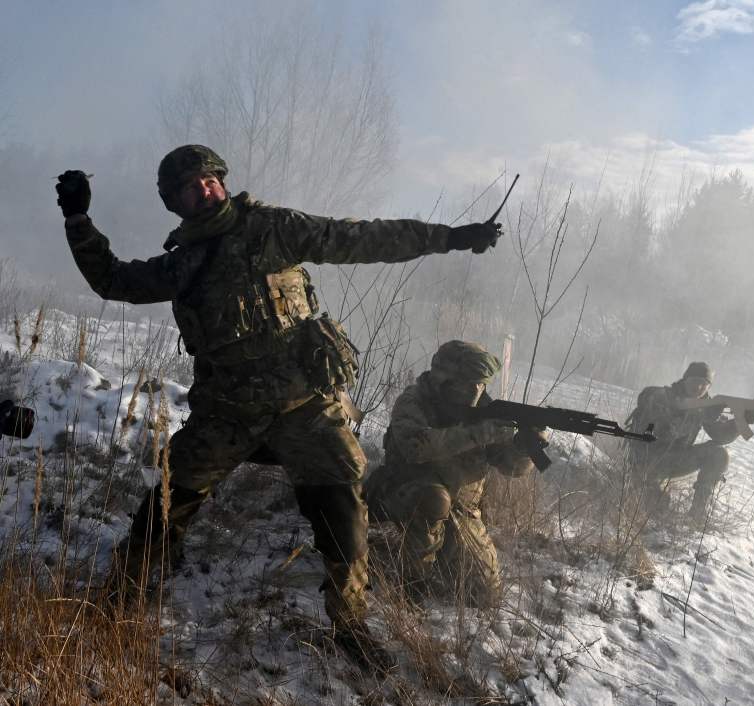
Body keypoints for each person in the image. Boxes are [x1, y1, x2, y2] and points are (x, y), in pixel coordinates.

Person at [55, 145, 502, 667]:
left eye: (208, 180)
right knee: (167, 500)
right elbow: (114, 280)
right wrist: (78, 219)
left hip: (304, 407)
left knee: (342, 508)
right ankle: (120, 596)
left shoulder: (272, 228)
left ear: (221, 181)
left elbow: (361, 239)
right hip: (228, 412)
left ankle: (350, 621)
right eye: (188, 188)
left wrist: (450, 238)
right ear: (174, 203)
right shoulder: (183, 264)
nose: (203, 190)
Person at [364, 340, 539, 608]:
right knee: (433, 498)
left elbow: (511, 467)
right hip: (402, 490)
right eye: (469, 383)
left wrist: (526, 448)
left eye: (481, 384)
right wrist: (476, 434)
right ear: (444, 378)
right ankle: (411, 587)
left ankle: (438, 548)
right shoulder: (414, 400)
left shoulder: (486, 410)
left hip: (460, 508)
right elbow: (415, 448)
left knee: (484, 594)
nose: (476, 391)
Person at [624, 362, 754, 521]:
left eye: (704, 384)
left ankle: (697, 514)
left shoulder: (704, 405)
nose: (699, 387)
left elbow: (720, 436)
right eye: (695, 381)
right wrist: (698, 413)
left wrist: (742, 420)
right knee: (656, 507)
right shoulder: (662, 397)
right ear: (685, 380)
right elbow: (661, 430)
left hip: (675, 460)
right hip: (645, 462)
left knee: (718, 454)